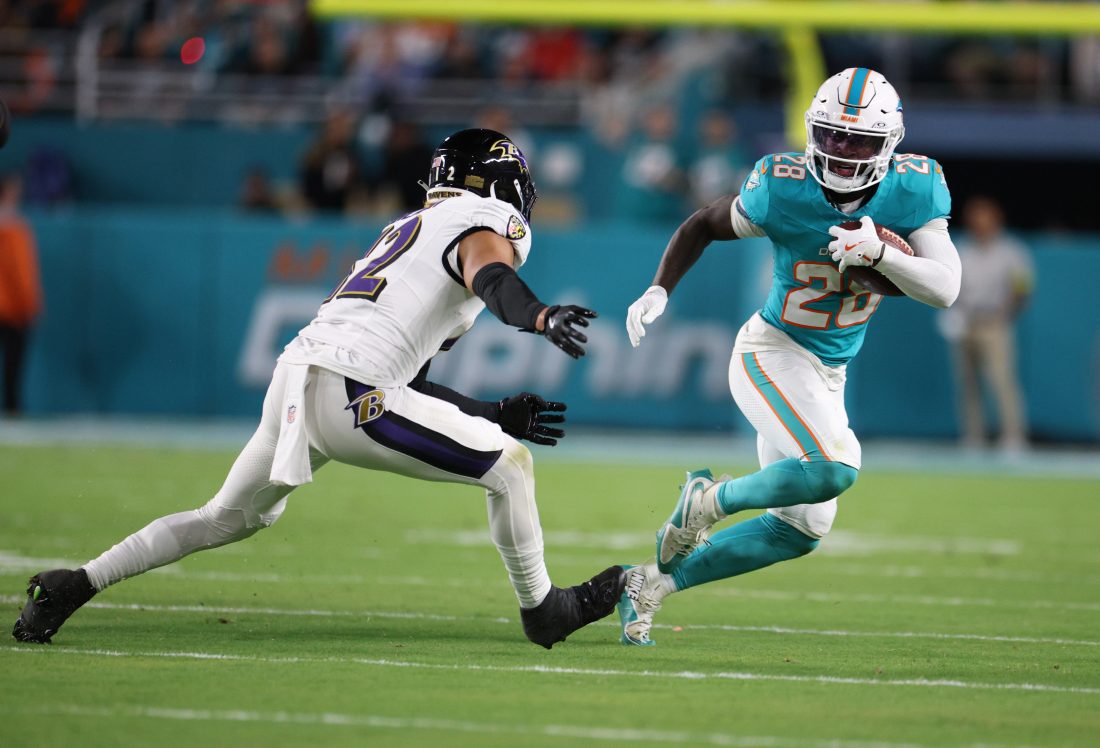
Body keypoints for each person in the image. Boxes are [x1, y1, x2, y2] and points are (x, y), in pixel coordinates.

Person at [12, 129, 625, 649]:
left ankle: (76, 583)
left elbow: (413, 386)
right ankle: (545, 610)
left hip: (301, 379)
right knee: (511, 469)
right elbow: (491, 277)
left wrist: (492, 412)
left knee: (222, 518)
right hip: (353, 388)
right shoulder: (477, 220)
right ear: (495, 185)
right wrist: (539, 315)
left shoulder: (412, 225)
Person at [618, 68, 961, 645]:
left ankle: (648, 585)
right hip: (773, 350)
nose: (843, 151)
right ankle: (708, 499)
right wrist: (659, 289)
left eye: (859, 140)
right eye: (832, 135)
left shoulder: (917, 186)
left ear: (889, 144)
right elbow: (703, 224)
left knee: (801, 529)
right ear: (812, 130)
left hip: (829, 370)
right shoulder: (781, 184)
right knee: (835, 466)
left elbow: (945, 287)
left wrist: (880, 252)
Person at [943, 196, 1033, 451]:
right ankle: (974, 437)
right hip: (965, 321)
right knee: (968, 382)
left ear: (996, 219)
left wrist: (1006, 314)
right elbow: (949, 284)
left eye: (985, 217)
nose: (979, 222)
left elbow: (1023, 286)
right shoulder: (962, 248)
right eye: (975, 217)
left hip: (994, 322)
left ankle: (1013, 438)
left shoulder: (1011, 250)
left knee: (1001, 381)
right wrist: (953, 314)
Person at [0, 173, 43, 417]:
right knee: (12, 370)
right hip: (13, 310)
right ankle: (12, 414)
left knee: (13, 369)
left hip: (10, 307)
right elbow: (21, 273)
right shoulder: (16, 231)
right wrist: (29, 306)